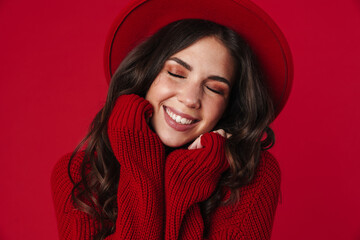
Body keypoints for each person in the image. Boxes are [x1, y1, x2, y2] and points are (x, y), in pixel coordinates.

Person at [51, 0, 293, 239]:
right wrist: (140, 163)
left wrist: (186, 182)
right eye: (176, 73)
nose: (190, 99)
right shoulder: (77, 175)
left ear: (228, 107)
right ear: (145, 73)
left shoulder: (252, 173)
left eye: (214, 89)